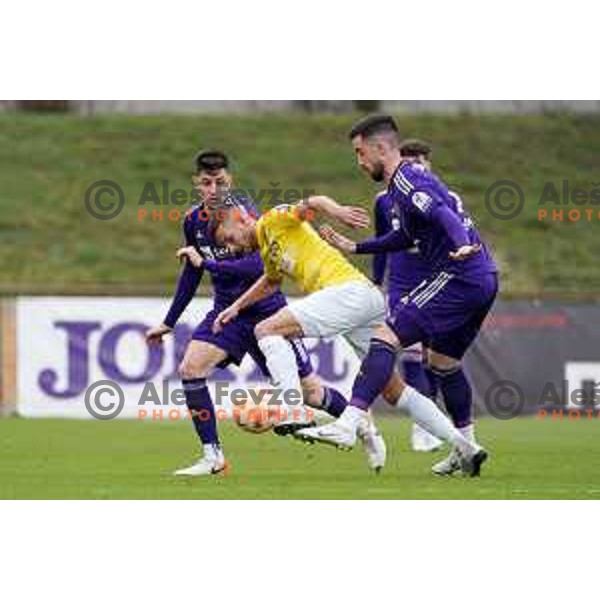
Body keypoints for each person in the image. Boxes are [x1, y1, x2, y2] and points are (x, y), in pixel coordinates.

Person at [211, 192, 480, 476]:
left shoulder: (272, 219)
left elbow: (312, 203)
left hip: (347, 293)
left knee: (265, 329)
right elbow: (270, 281)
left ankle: (291, 408)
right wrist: (236, 307)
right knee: (392, 390)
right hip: (362, 300)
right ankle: (464, 447)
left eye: (229, 238)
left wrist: (337, 210)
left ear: (241, 219)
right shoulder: (268, 246)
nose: (231, 247)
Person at [301, 114, 496, 476]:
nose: (359, 162)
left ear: (380, 148)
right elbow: (406, 238)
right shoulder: (399, 187)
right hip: (483, 277)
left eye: (360, 153)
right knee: (444, 364)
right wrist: (355, 247)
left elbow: (442, 214)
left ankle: (349, 421)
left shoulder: (406, 180)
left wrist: (461, 245)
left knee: (384, 336)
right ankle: (466, 448)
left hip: (460, 274)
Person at [145, 150, 355, 476]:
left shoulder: (245, 215)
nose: (214, 189)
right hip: (225, 313)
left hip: (266, 314)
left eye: (220, 182)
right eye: (207, 183)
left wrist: (209, 264)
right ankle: (213, 457)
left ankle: (363, 426)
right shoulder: (193, 222)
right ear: (197, 185)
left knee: (310, 393)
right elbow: (191, 272)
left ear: (231, 181)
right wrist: (168, 322)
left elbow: (259, 266)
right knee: (190, 369)